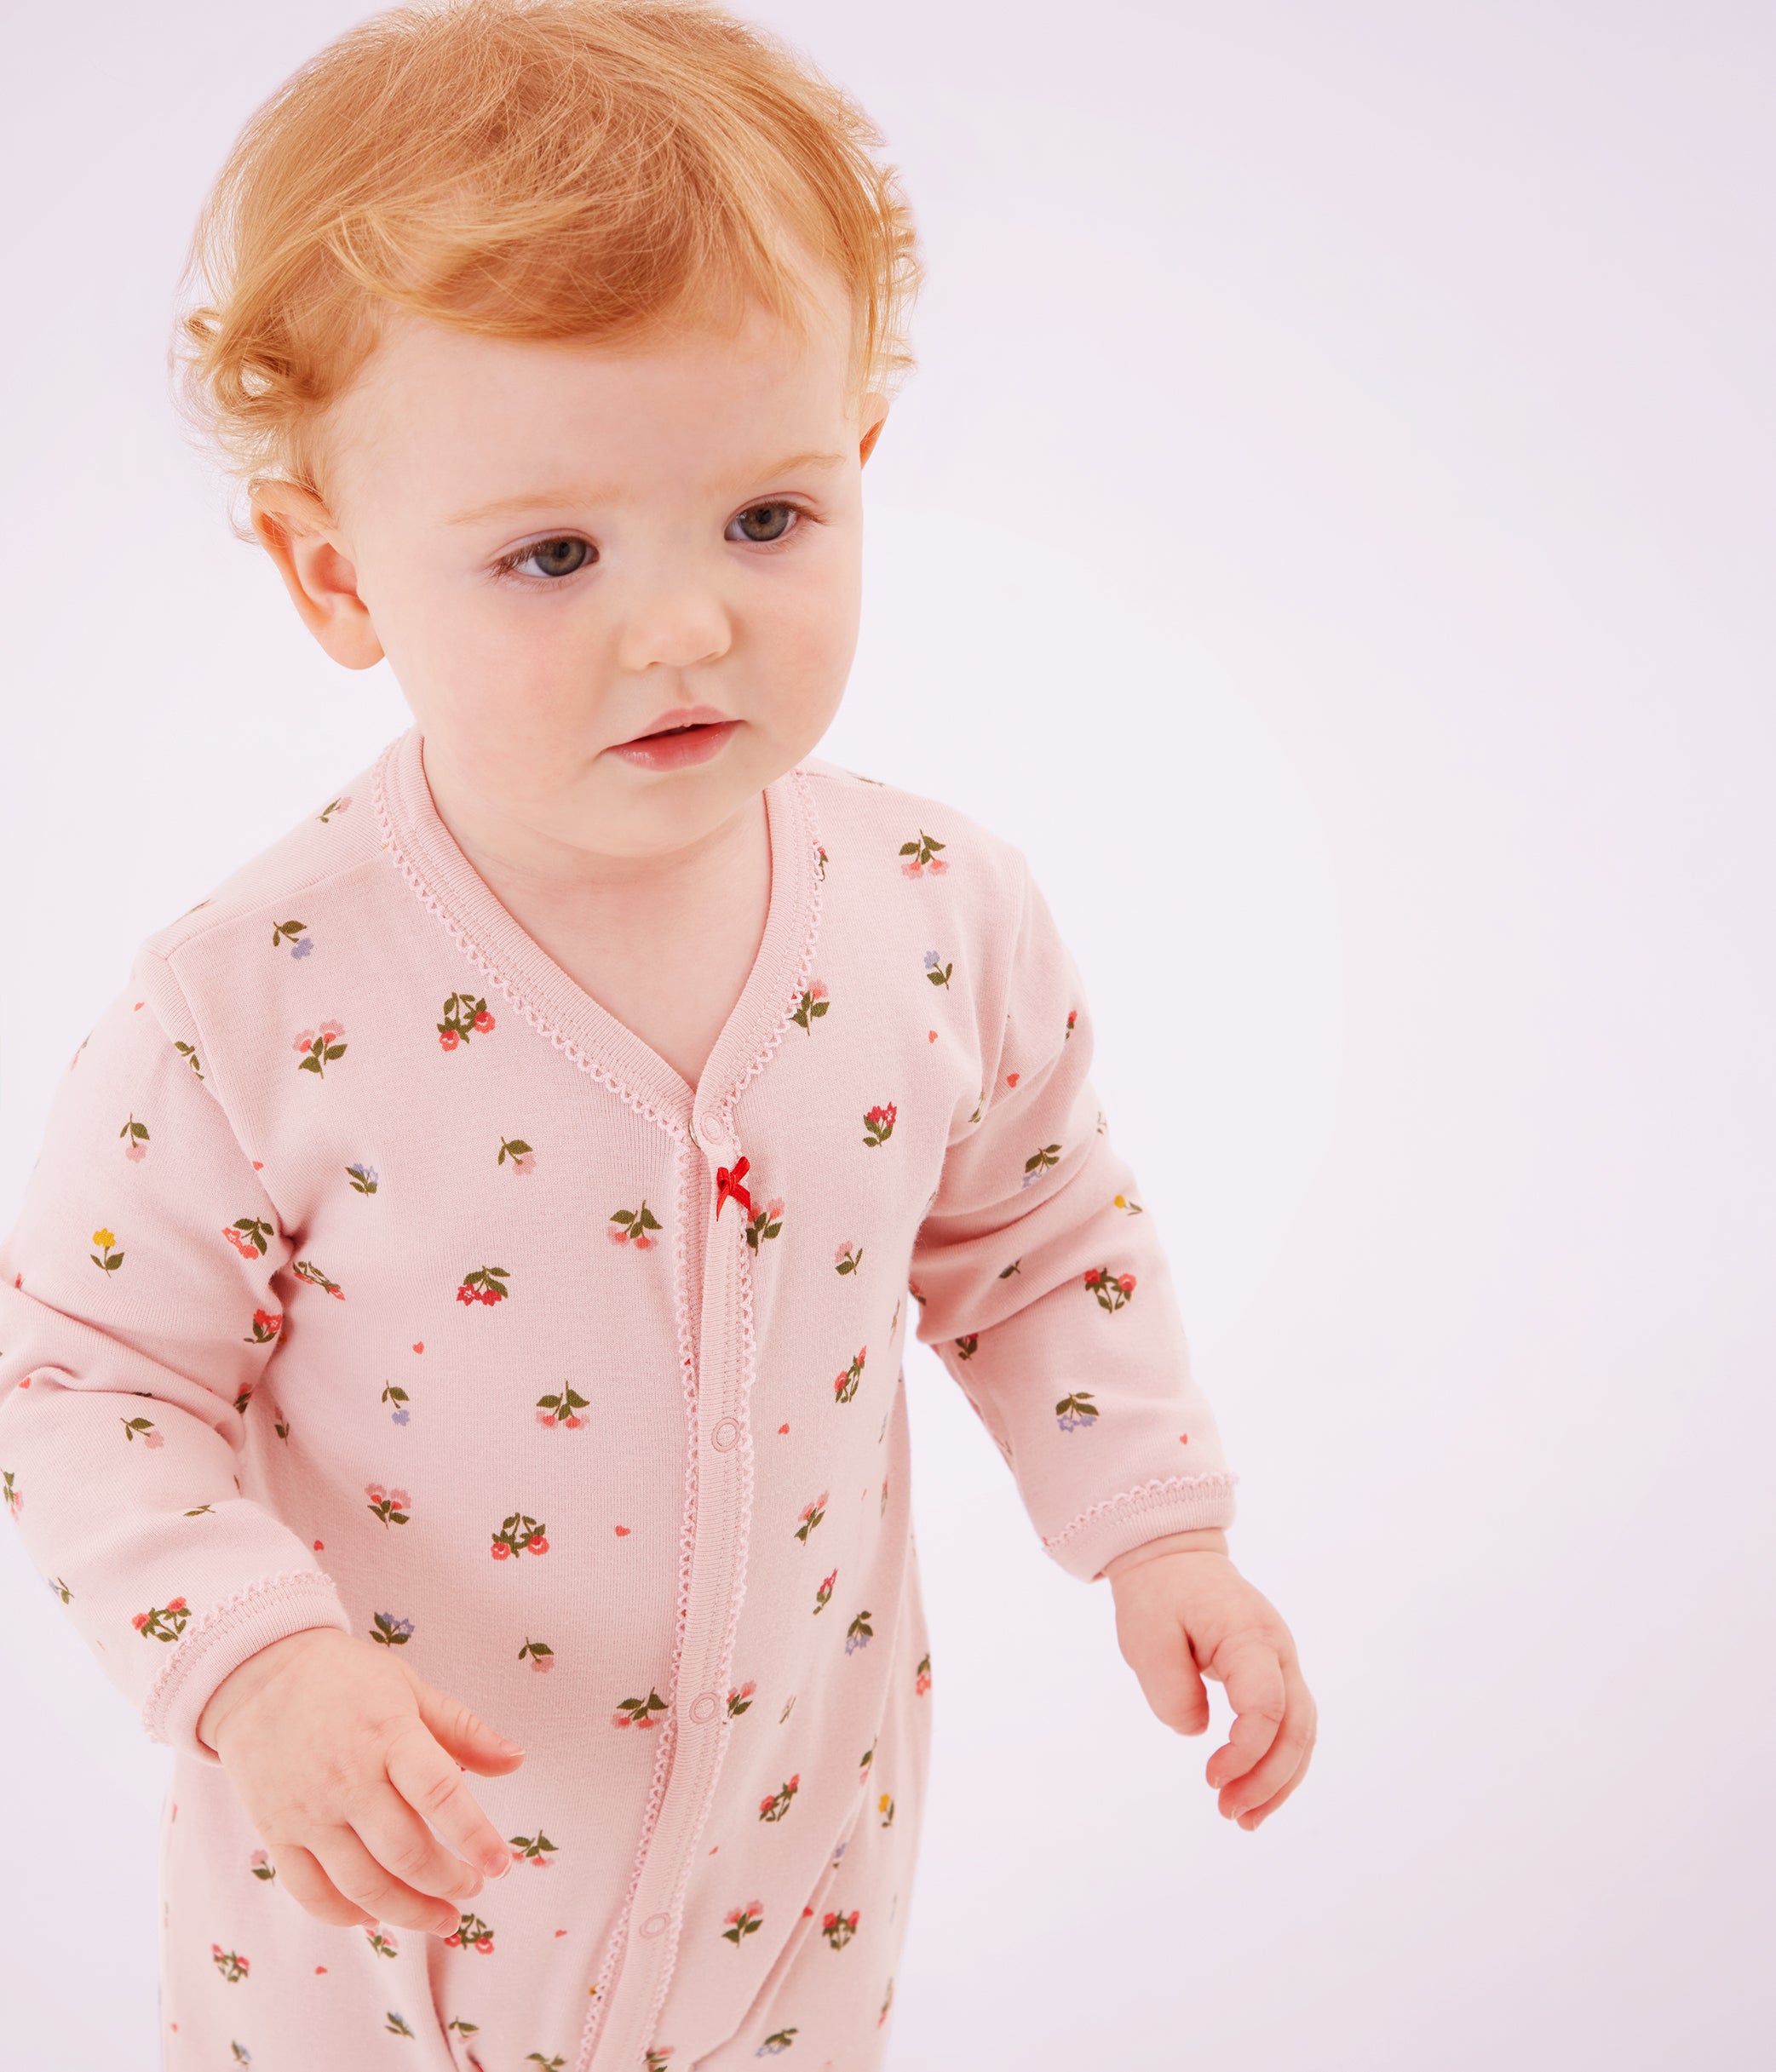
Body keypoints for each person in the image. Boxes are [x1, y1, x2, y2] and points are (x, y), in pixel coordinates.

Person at [0, 3, 1316, 2064]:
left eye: (765, 519)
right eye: (552, 553)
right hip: (375, 1911)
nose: (686, 624)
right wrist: (253, 1664)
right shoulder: (252, 1004)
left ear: (856, 464)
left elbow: (1039, 1240)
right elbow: (84, 1373)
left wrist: (1158, 1525)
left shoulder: (933, 914)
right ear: (334, 576)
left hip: (788, 1877)